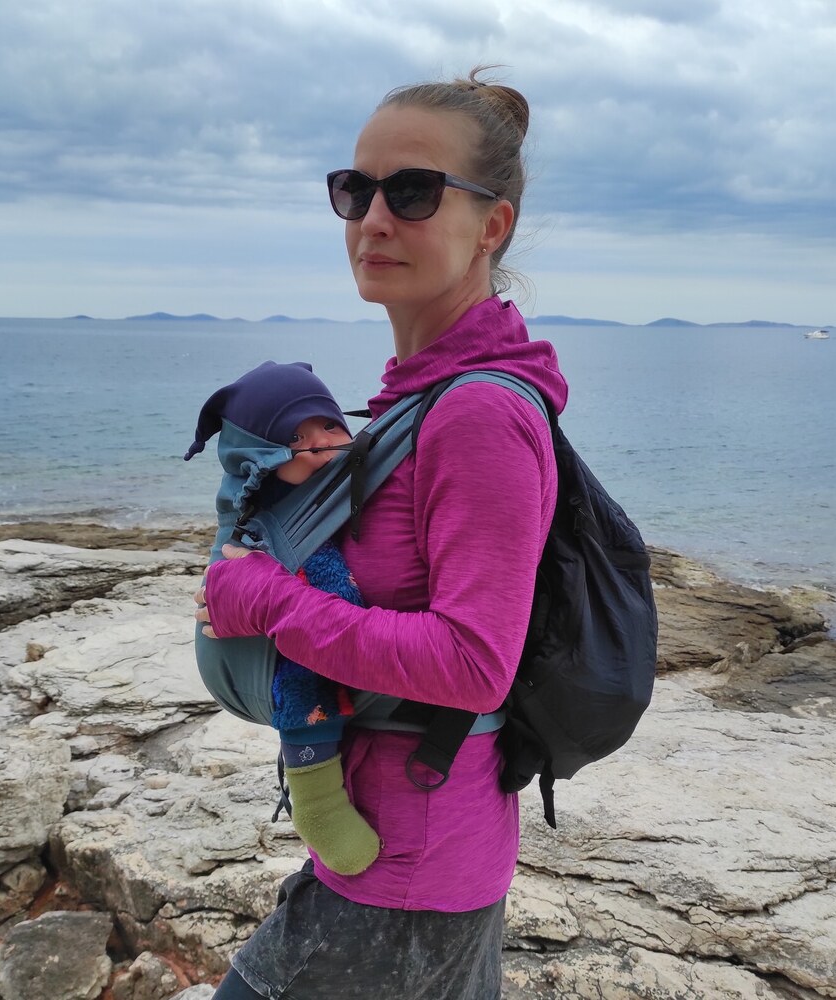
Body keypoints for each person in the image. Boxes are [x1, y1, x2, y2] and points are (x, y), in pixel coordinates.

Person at [196, 67, 568, 1000]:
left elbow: (474, 664)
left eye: (412, 191)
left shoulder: (476, 413)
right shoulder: (421, 396)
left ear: (492, 224)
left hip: (410, 870)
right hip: (397, 844)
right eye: (354, 189)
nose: (373, 219)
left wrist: (267, 600)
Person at [184, 360, 381, 876]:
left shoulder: (337, 485)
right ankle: (316, 802)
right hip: (263, 654)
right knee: (303, 678)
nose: (319, 444)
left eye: (330, 425)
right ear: (259, 454)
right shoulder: (261, 504)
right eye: (295, 437)